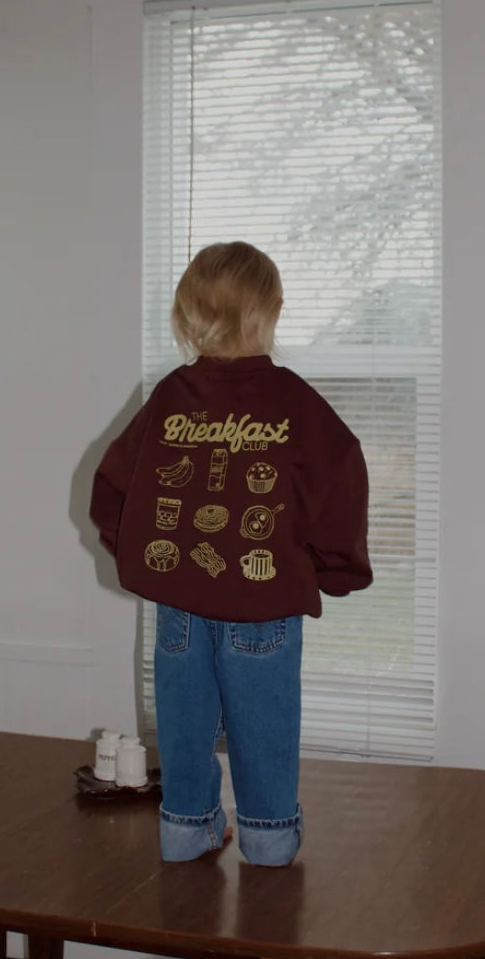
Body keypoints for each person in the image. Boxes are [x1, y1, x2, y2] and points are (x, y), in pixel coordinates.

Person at [90, 241, 372, 865]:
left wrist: (142, 555)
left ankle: (187, 830)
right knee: (263, 729)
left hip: (179, 608)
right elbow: (340, 486)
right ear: (268, 312)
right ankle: (269, 841)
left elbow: (113, 486)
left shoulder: (171, 398)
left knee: (183, 727)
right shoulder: (294, 402)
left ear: (189, 317)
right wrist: (335, 570)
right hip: (263, 605)